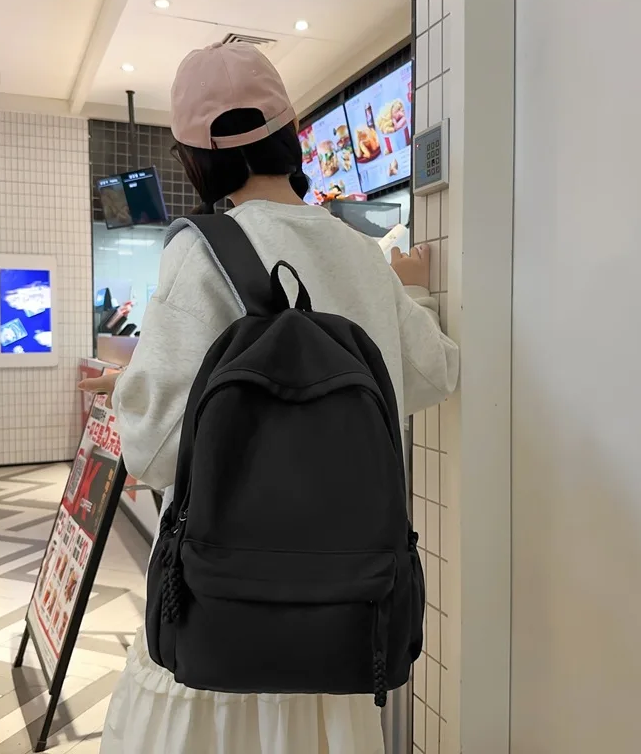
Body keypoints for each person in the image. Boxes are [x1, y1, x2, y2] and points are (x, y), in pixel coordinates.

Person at [81, 42, 459, 754]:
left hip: (221, 612)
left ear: (197, 159)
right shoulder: (360, 255)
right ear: (289, 136)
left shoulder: (198, 251)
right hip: (339, 620)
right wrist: (411, 287)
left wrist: (133, 389)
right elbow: (434, 375)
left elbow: (154, 451)